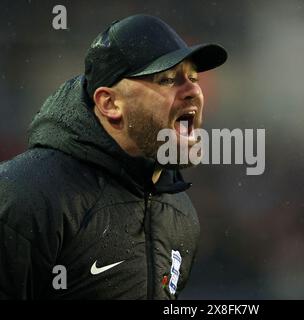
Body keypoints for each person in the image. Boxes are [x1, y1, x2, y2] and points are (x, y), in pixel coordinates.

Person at [0, 14, 227, 299]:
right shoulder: (24, 195)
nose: (194, 90)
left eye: (193, 78)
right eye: (167, 79)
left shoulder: (181, 215)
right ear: (109, 103)